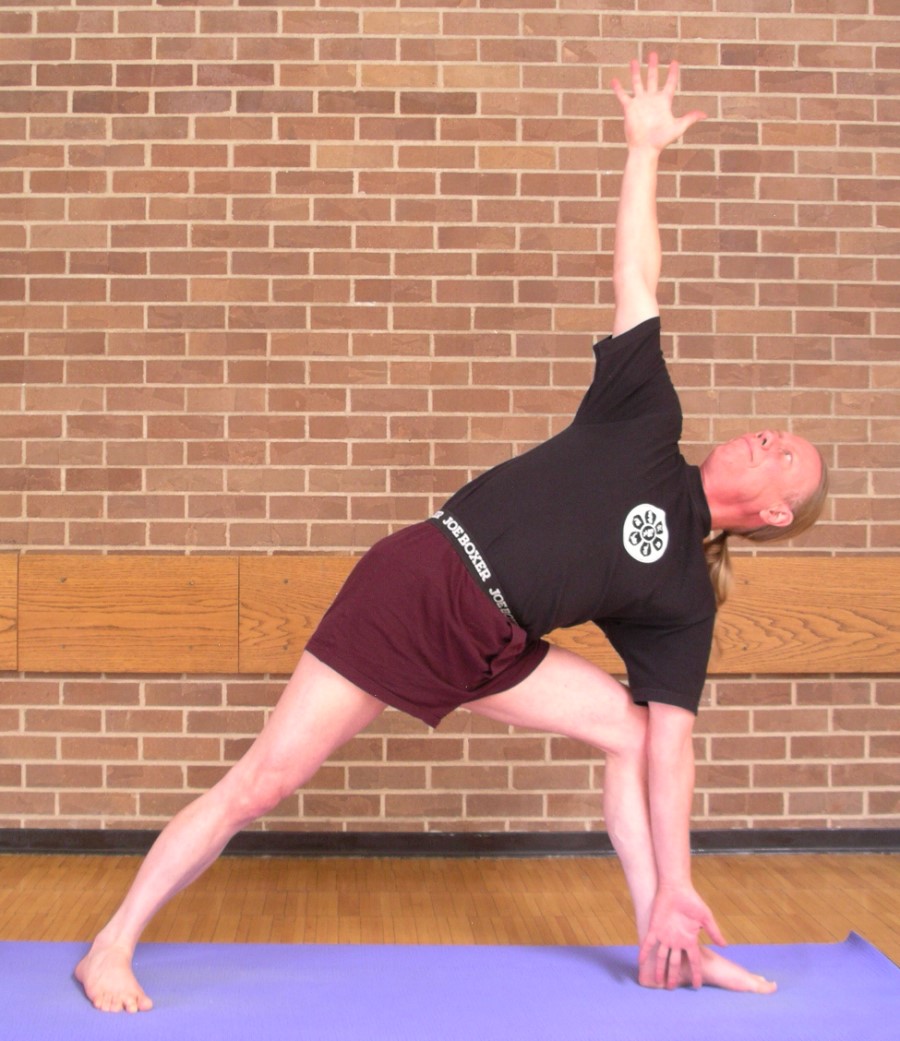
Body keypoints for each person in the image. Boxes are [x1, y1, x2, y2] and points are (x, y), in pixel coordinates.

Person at [75, 54, 828, 1013]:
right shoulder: (645, 418)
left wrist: (681, 880)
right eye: (773, 432)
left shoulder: (683, 597)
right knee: (262, 781)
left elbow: (673, 748)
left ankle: (663, 937)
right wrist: (643, 151)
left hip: (493, 643)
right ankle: (111, 946)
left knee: (634, 733)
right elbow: (638, 275)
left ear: (774, 514)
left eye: (785, 456)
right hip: (422, 584)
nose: (767, 438)